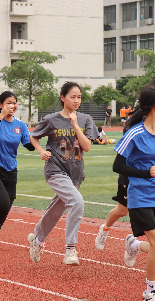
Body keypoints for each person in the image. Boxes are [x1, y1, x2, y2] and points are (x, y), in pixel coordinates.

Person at [110, 81, 155, 301]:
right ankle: (150, 291)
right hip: (140, 196)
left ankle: (133, 243)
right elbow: (118, 166)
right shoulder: (134, 134)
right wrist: (144, 173)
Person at [95, 121, 155, 269]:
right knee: (122, 210)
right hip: (132, 180)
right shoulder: (134, 129)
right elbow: (120, 162)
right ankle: (105, 229)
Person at [27, 82, 98, 266]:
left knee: (57, 210)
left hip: (75, 173)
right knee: (77, 202)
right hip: (55, 170)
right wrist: (41, 151)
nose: (76, 100)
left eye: (79, 97)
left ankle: (37, 240)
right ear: (63, 98)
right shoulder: (52, 119)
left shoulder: (85, 120)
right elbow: (33, 136)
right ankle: (70, 248)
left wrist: (75, 125)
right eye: (72, 96)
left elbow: (87, 147)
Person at [0, 92, 35, 250]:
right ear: (1, 105)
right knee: (2, 201)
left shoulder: (20, 125)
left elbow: (29, 146)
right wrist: (0, 116)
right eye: (9, 102)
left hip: (11, 170)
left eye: (15, 102)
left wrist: (39, 135)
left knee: (7, 205)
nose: (13, 105)